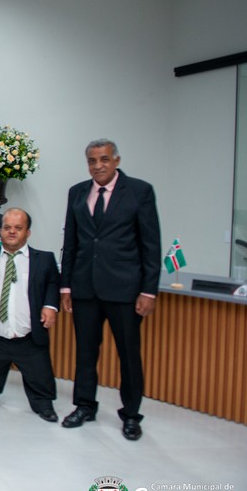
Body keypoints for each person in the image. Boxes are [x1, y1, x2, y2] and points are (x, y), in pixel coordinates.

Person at [60, 139, 161, 441]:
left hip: (125, 290)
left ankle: (131, 414)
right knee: (85, 353)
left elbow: (151, 244)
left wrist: (149, 290)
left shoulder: (139, 191)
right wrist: (66, 286)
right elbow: (72, 243)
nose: (98, 165)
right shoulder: (77, 192)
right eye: (92, 160)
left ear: (116, 160)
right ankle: (84, 406)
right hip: (84, 288)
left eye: (104, 159)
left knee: (129, 355)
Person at [0, 208, 59, 422]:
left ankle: (43, 404)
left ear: (27, 232)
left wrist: (50, 306)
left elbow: (53, 283)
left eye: (18, 228)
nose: (11, 232)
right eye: (7, 227)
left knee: (40, 374)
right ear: (0, 231)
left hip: (28, 333)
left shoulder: (43, 259)